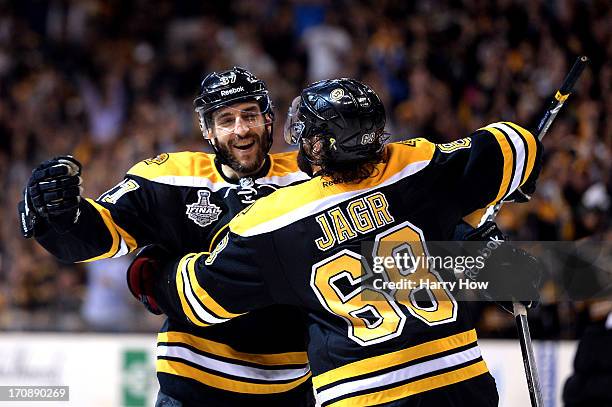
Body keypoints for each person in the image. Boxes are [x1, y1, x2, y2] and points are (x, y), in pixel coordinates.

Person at [137, 78, 544, 406]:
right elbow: (516, 144)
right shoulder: (416, 167)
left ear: (317, 145)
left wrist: (157, 273)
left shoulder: (275, 217)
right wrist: (485, 244)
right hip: (461, 382)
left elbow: (200, 298)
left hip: (363, 394)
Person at [18, 67, 314, 406]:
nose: (241, 129)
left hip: (292, 389)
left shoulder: (309, 177)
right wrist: (61, 216)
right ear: (207, 129)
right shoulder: (171, 177)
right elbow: (101, 230)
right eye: (226, 119)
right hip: (192, 385)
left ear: (268, 118)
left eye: (250, 115)